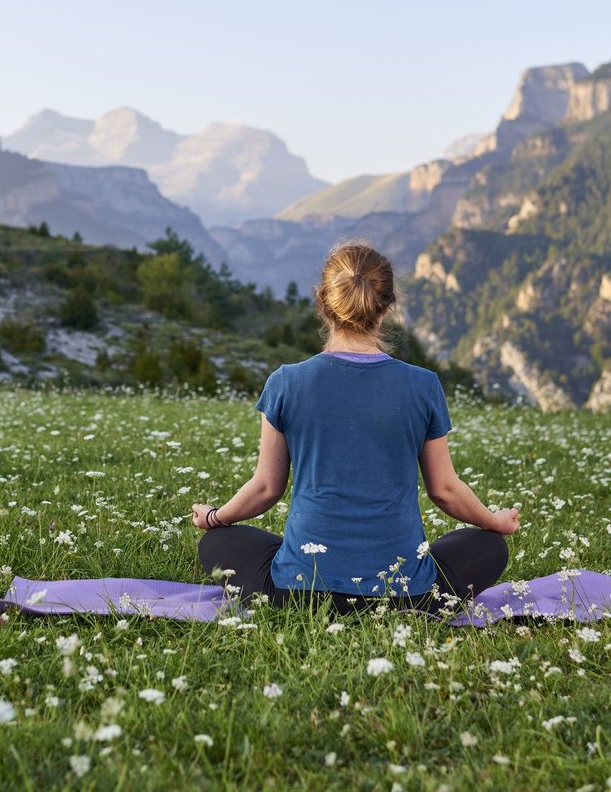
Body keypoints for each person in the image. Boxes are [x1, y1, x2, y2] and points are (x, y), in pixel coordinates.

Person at [191, 241, 519, 617]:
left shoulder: (286, 382)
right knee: (490, 546)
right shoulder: (423, 385)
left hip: (299, 593)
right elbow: (444, 491)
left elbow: (266, 488)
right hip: (406, 594)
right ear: (387, 307)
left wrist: (214, 517)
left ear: (323, 303)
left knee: (218, 543)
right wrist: (495, 522)